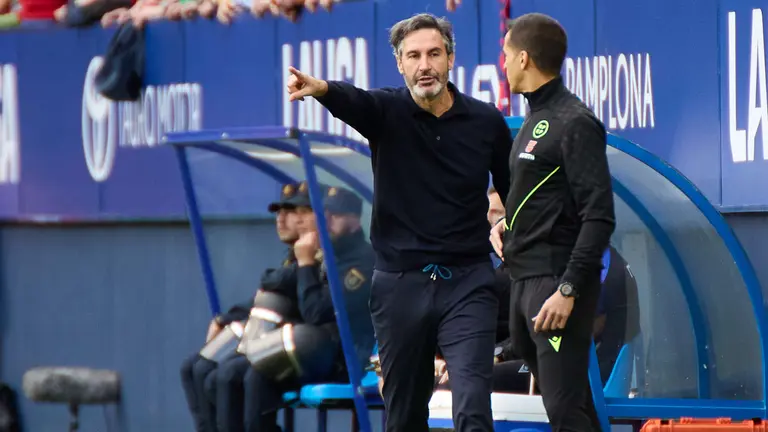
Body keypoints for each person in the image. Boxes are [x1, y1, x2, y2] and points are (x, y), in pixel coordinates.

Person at [286, 13, 512, 432]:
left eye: (433, 54)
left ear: (450, 59)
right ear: (400, 64)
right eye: (414, 56)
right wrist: (321, 90)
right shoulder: (386, 111)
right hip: (400, 285)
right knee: (404, 414)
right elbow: (356, 101)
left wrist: (507, 226)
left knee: (472, 407)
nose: (424, 65)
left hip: (468, 283)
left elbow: (514, 190)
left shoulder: (486, 122)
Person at [489, 13, 616, 432]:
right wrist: (508, 226)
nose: (502, 62)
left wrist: (568, 289)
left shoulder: (574, 121)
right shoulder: (530, 120)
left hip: (554, 284)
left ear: (523, 58)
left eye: (506, 55)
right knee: (569, 404)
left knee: (564, 409)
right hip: (523, 282)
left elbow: (599, 216)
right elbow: (542, 201)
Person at [226, 184, 376, 432]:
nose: (326, 221)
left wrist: (305, 263)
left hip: (345, 359)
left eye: (335, 215)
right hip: (311, 348)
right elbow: (273, 283)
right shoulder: (325, 253)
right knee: (228, 374)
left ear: (354, 220)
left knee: (255, 374)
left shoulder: (363, 261)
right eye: (323, 213)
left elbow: (315, 313)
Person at [180, 182, 302, 432]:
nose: (281, 219)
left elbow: (277, 289)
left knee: (226, 375)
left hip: (294, 344)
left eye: (291, 211)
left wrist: (272, 280)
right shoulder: (293, 256)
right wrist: (224, 319)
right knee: (194, 366)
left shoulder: (317, 257)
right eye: (279, 212)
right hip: (269, 337)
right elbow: (261, 297)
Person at [436, 246, 640, 394]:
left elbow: (560, 331)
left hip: (581, 375)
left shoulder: (595, 267)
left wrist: (496, 356)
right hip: (572, 363)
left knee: (461, 381)